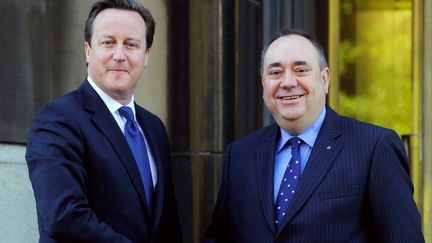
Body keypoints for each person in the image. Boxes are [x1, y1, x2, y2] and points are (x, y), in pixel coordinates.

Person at [203, 28, 424, 242]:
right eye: (275, 72)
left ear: (325, 79)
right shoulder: (241, 155)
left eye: (300, 70)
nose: (287, 82)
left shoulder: (374, 147)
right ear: (263, 83)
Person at [25, 0, 182, 242]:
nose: (119, 55)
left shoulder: (153, 128)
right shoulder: (58, 120)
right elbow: (63, 217)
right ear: (88, 51)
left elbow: (167, 223)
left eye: (131, 44)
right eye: (108, 42)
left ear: (146, 55)